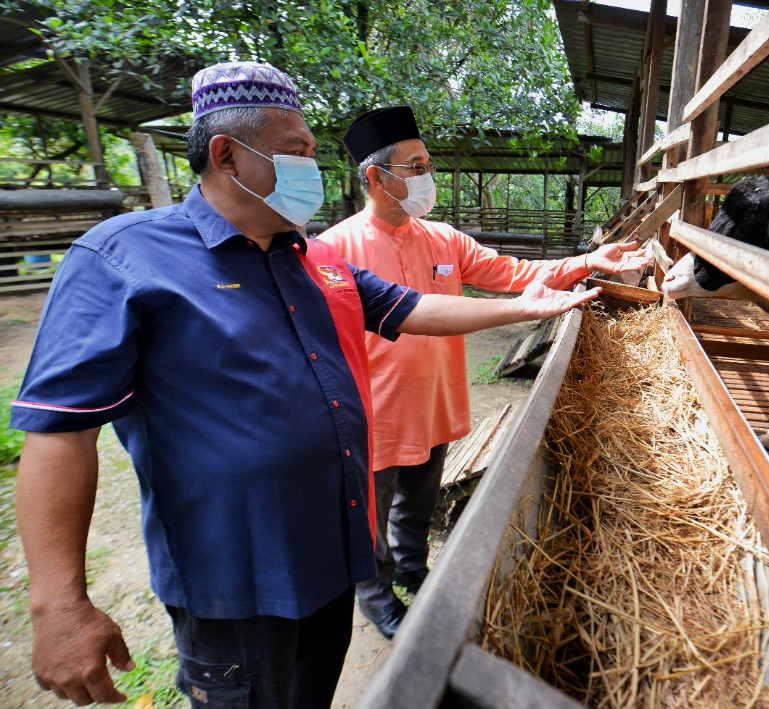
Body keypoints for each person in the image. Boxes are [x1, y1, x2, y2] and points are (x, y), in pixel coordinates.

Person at [11, 63, 599, 708]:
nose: (310, 170)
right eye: (295, 153)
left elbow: (411, 309)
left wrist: (526, 306)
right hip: (236, 577)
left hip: (331, 552)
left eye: (312, 154)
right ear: (226, 153)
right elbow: (59, 429)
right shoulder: (123, 258)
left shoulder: (315, 258)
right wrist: (60, 604)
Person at [319, 105, 649, 639]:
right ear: (375, 177)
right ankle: (377, 596)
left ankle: (411, 566)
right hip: (373, 409)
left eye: (427, 162)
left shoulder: (444, 239)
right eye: (416, 165)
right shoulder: (334, 248)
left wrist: (589, 260)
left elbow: (514, 272)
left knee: (420, 499)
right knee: (369, 514)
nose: (428, 175)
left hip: (436, 397)